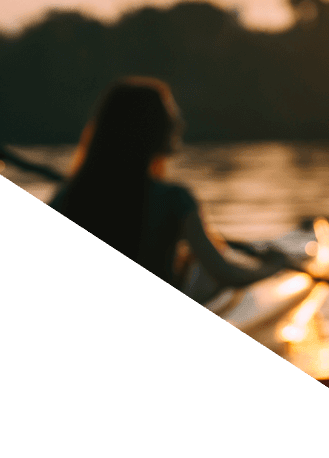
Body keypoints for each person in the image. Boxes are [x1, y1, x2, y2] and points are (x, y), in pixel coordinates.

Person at [50, 77, 290, 301]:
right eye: (169, 115)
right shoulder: (175, 200)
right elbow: (226, 274)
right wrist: (274, 267)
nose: (178, 123)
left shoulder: (68, 197)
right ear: (148, 129)